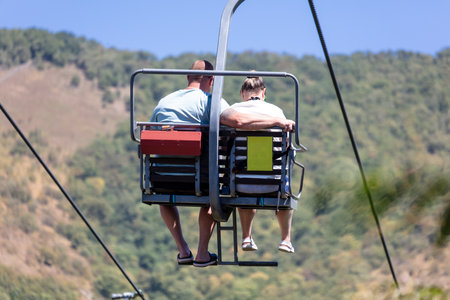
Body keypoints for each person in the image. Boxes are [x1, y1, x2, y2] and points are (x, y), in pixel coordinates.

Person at [151, 60, 295, 267]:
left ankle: (183, 249)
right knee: (212, 196)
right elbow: (238, 122)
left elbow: (152, 135)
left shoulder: (164, 102)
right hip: (197, 179)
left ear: (187, 77)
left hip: (162, 177)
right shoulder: (212, 102)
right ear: (211, 80)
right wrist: (277, 122)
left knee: (164, 197)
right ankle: (202, 253)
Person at [224, 75, 295, 253]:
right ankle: (285, 239)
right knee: (284, 175)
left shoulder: (232, 111)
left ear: (242, 93)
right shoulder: (276, 112)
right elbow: (285, 146)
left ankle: (246, 237)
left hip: (239, 184)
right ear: (263, 93)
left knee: (244, 168)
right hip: (273, 185)